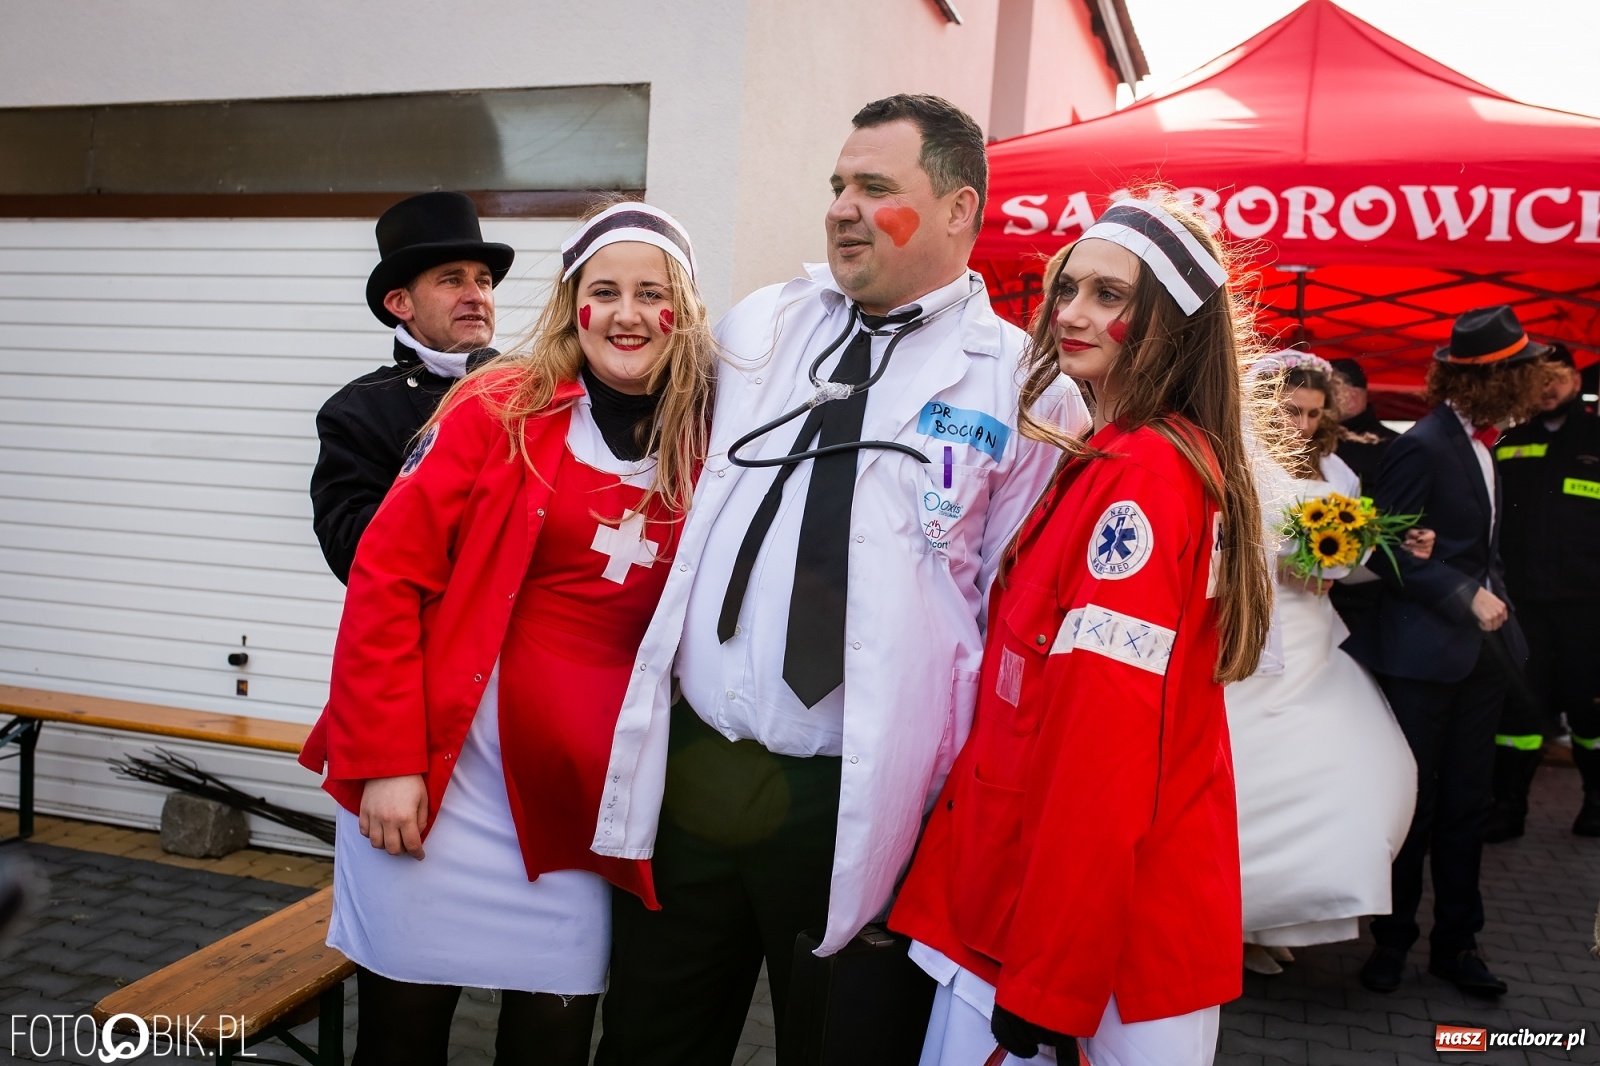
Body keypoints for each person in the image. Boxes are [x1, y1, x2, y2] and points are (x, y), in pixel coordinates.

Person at [591, 95, 1086, 1065]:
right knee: (649, 1041)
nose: (842, 209)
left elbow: (1010, 611)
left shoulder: (1024, 388)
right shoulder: (764, 324)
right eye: (837, 185)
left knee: (838, 1046)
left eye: (874, 187)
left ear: (958, 208)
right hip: (697, 768)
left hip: (852, 796)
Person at [297, 203, 716, 1065]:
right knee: (401, 1041)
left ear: (685, 309)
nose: (628, 315)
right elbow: (385, 577)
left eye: (653, 293)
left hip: (576, 804)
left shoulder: (712, 437)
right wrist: (387, 762)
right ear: (573, 305)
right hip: (441, 782)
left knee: (552, 1041)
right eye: (605, 291)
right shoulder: (497, 405)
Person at [890, 197, 1273, 1066]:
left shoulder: (1143, 477)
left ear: (1172, 324)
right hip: (1039, 905)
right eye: (1068, 288)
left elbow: (1104, 747)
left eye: (1109, 295)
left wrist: (1049, 978)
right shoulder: (1121, 454)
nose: (1070, 313)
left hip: (1081, 943)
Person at [1345, 304, 1546, 999]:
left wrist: (1498, 607)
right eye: (1525, 373)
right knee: (1417, 807)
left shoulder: (1484, 446)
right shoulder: (1424, 445)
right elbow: (1384, 550)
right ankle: (1392, 941)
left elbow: (1478, 551)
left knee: (1467, 805)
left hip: (1479, 659)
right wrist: (1465, 596)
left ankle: (1457, 945)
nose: (1536, 385)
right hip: (1420, 658)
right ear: (1494, 379)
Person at [1225, 353, 1416, 976]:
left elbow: (1352, 559)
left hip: (1315, 638)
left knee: (1349, 773)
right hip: (1255, 635)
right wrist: (1279, 565)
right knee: (1255, 782)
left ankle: (1279, 917)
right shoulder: (1238, 461)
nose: (1303, 425)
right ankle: (1237, 921)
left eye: (1313, 413)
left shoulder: (1336, 471)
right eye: (1291, 411)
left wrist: (1341, 565)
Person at [310, 191, 513, 583]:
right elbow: (350, 551)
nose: (476, 296)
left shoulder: (532, 387)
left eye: (483, 281)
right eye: (452, 280)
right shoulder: (356, 412)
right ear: (401, 303)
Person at [1486, 344, 1600, 839]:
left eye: (1557, 377)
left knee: (1589, 707)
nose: (1548, 388)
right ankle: (1508, 808)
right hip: (1522, 604)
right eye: (1540, 378)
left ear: (1575, 380)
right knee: (1519, 706)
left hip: (1587, 608)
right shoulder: (1508, 441)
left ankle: (1596, 804)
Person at [1327, 357, 1399, 489]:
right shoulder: (1316, 439)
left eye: (1328, 394)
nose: (1320, 401)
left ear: (1352, 397)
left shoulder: (1393, 447)